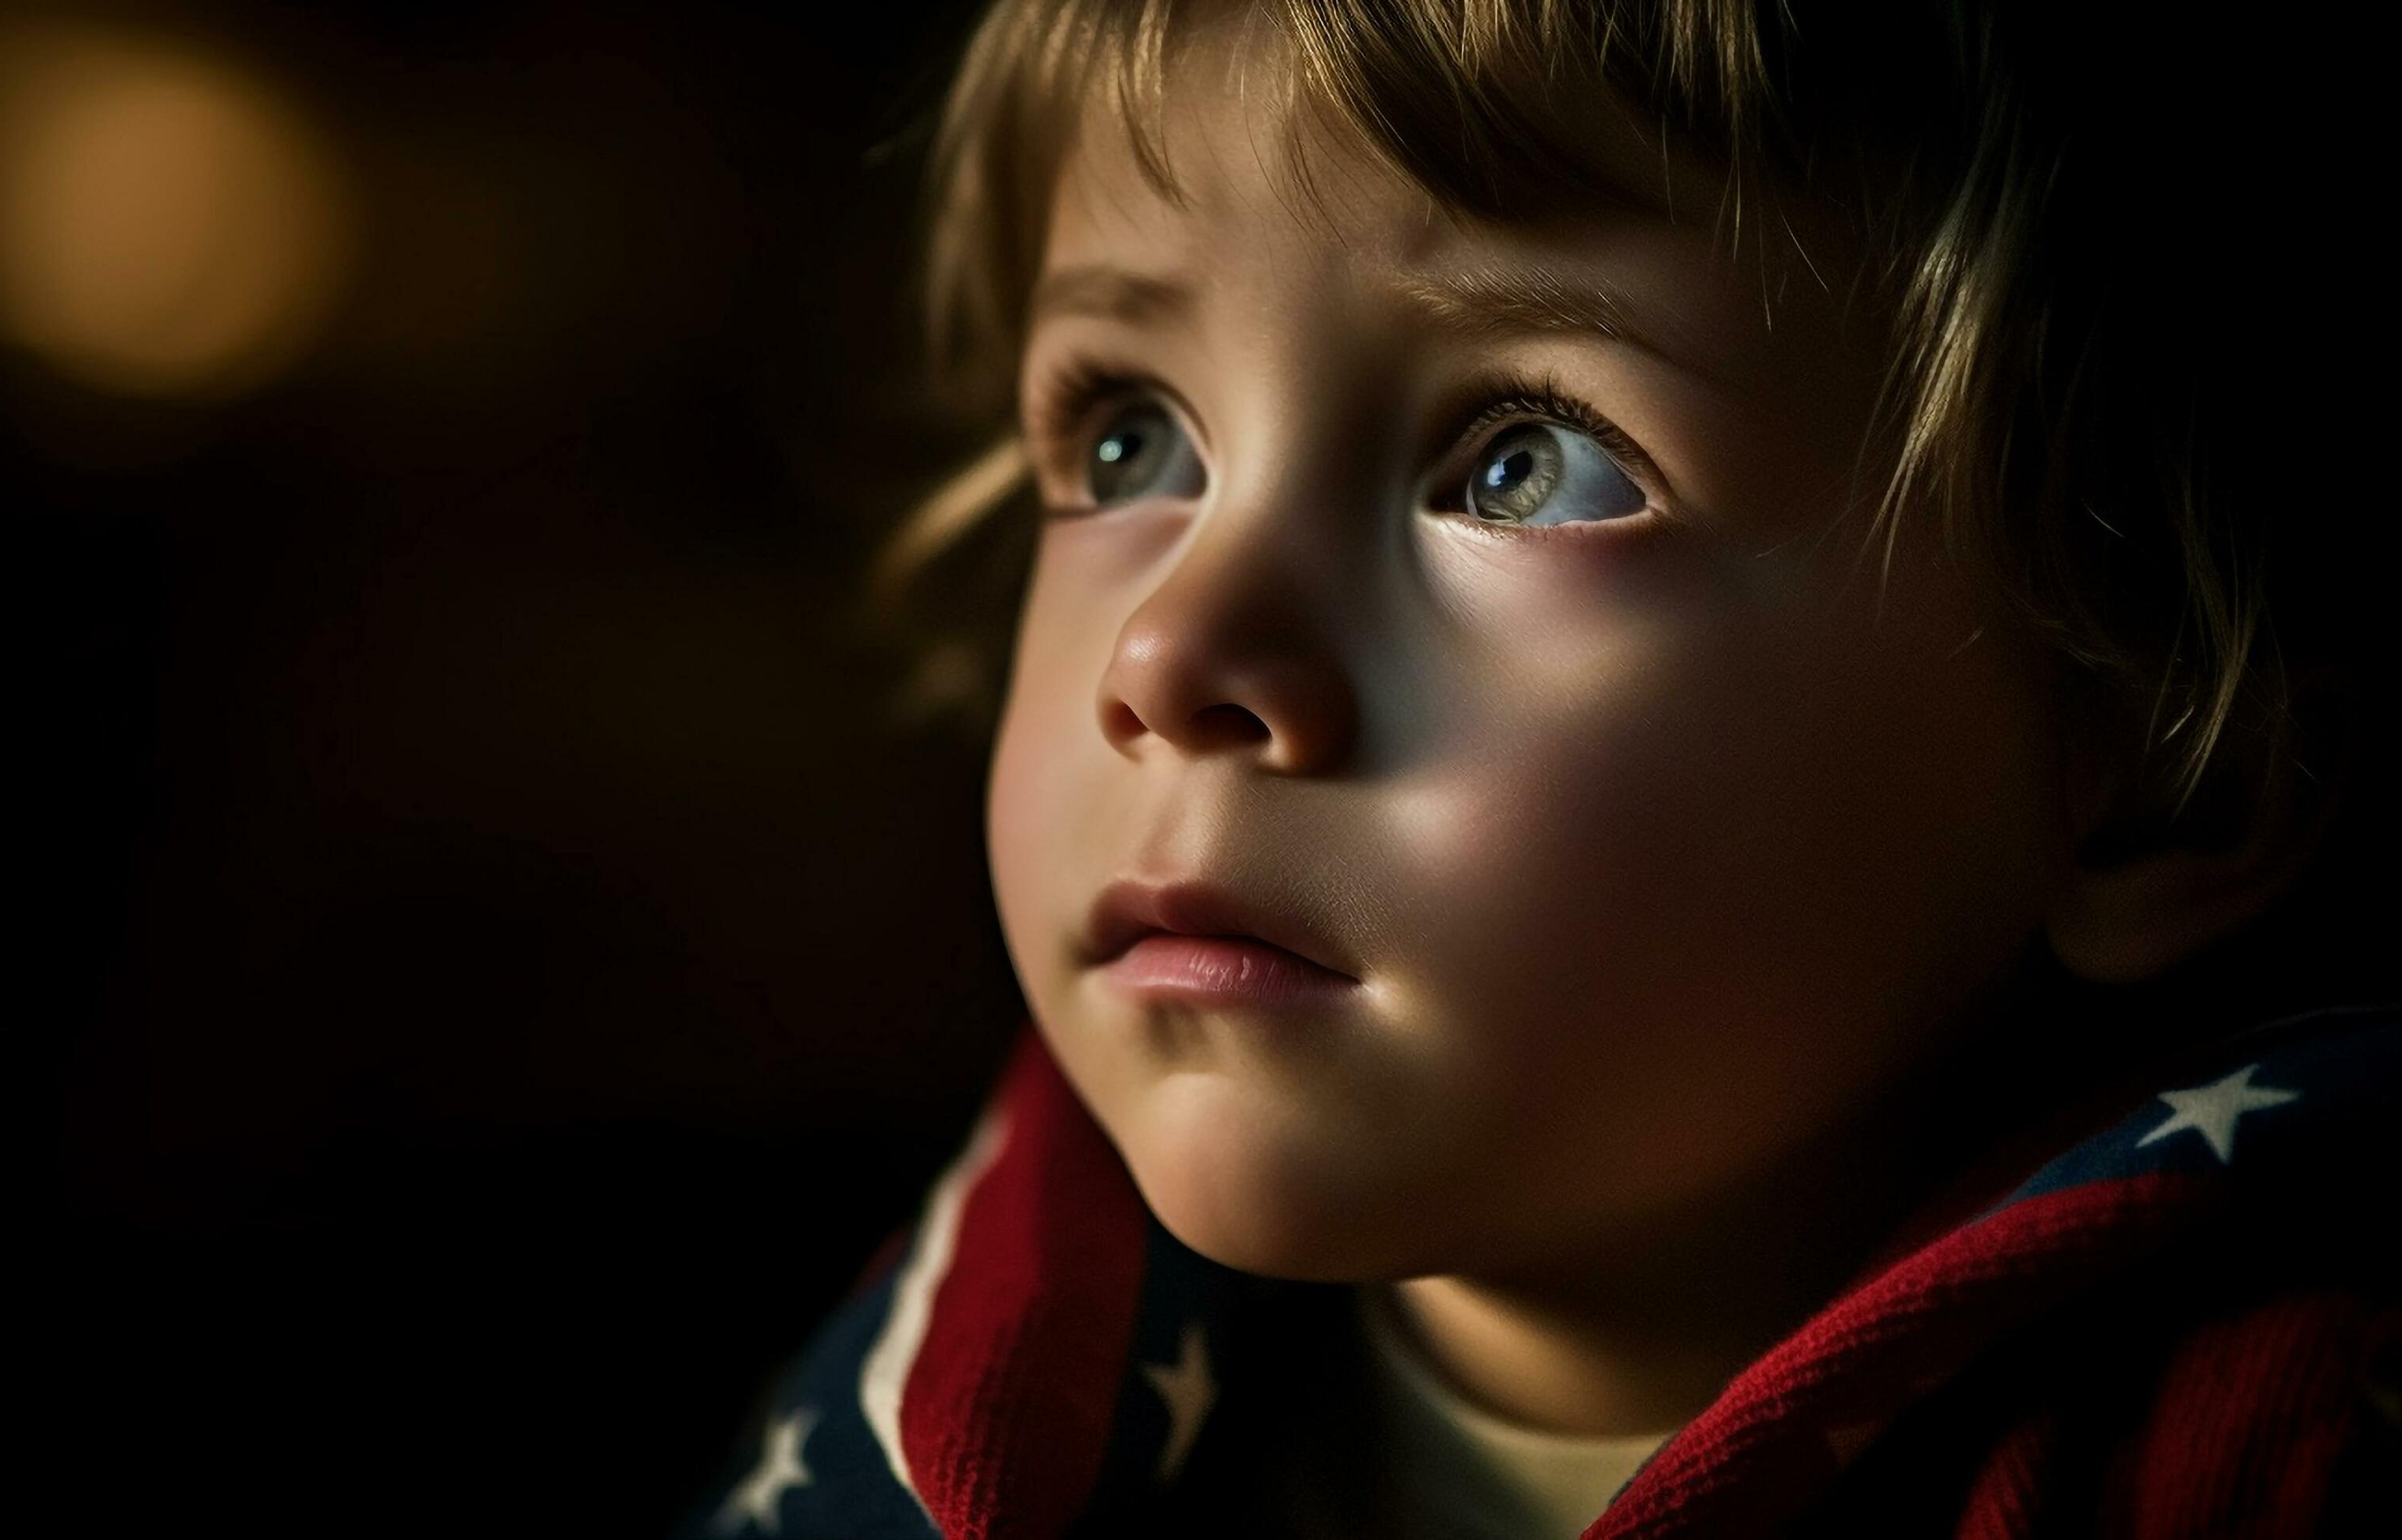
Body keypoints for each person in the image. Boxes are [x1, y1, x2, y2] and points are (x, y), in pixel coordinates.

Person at [673, 1, 2397, 1534]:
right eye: (1132, 434)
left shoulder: (2292, 1455)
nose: (1172, 655)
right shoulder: (916, 1406)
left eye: (1527, 466)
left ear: (2164, 770)